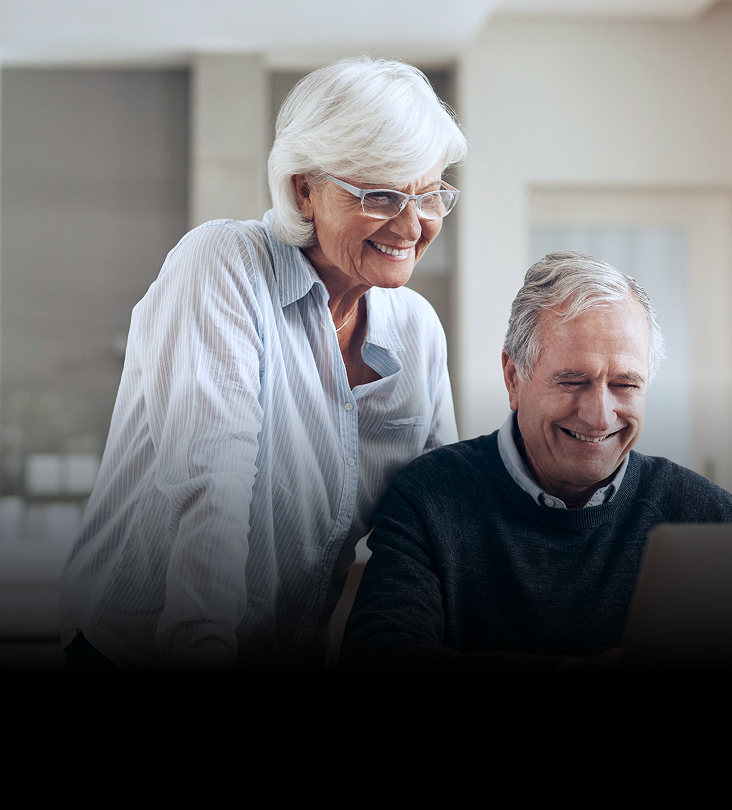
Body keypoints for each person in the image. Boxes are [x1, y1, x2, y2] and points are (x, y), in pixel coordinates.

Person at [59, 56, 467, 670]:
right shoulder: (223, 265)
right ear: (306, 188)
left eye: (431, 192)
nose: (413, 224)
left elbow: (434, 526)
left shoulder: (417, 330)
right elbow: (208, 498)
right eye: (381, 195)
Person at [339, 251, 732, 672]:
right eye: (572, 381)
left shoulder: (707, 515)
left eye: (624, 384)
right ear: (513, 378)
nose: (599, 416)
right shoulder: (429, 495)